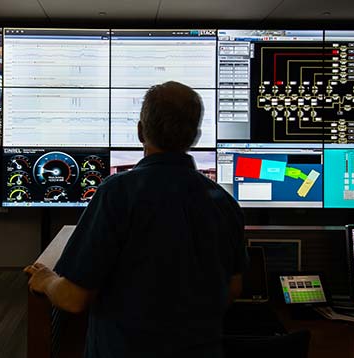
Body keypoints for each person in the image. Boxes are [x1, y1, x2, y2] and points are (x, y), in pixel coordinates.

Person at [24, 81, 247, 358]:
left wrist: (46, 280)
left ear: (140, 131)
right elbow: (233, 288)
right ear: (196, 137)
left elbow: (73, 298)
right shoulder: (225, 204)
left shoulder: (116, 193)